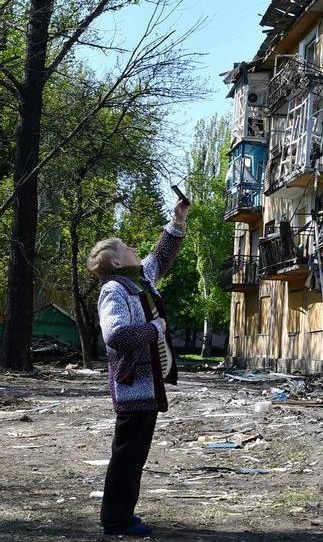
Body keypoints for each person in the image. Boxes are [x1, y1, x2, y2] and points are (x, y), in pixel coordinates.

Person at [87, 196, 189, 537]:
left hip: (148, 384)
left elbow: (160, 257)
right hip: (133, 386)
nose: (135, 249)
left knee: (135, 455)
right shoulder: (114, 290)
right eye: (128, 247)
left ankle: (122, 515)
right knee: (127, 455)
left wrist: (178, 221)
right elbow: (115, 336)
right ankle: (116, 520)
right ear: (116, 262)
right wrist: (153, 329)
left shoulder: (139, 280)